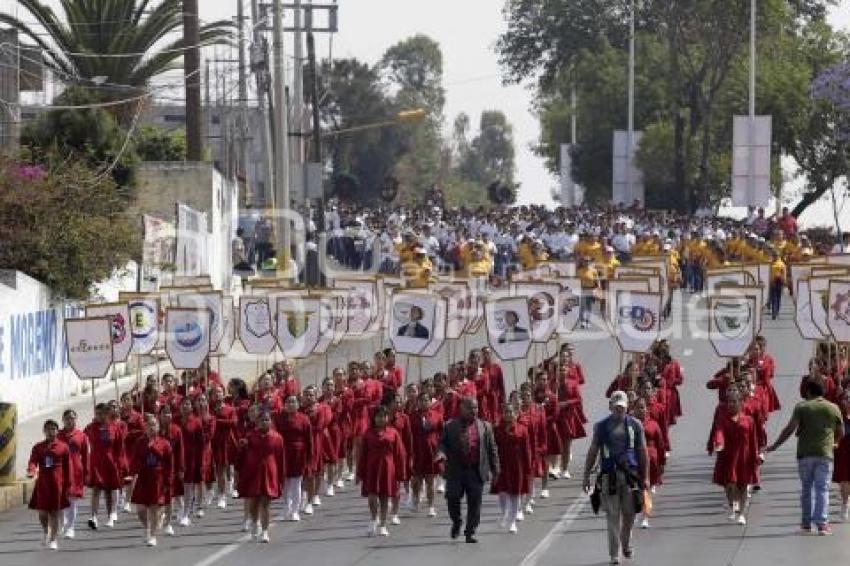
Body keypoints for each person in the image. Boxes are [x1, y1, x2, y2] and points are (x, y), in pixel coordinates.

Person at [766, 379, 844, 535]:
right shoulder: (833, 408)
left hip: (805, 454)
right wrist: (835, 442)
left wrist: (775, 446)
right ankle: (822, 524)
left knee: (806, 489)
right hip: (824, 454)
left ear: (808, 392)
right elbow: (841, 430)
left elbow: (790, 429)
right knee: (822, 489)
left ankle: (806, 524)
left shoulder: (802, 407)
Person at [582, 391, 649, 565]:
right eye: (616, 406)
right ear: (610, 406)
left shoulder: (636, 425)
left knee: (629, 513)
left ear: (627, 407)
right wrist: (586, 475)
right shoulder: (601, 426)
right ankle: (614, 553)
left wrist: (646, 477)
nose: (619, 409)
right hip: (609, 475)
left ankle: (625, 542)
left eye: (622, 406)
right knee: (612, 515)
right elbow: (593, 450)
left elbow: (642, 452)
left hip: (629, 476)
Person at [436, 397, 500, 543]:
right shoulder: (450, 426)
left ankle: (470, 531)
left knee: (475, 502)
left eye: (476, 408)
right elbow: (442, 444)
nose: (474, 411)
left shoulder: (485, 427)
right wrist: (441, 453)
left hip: (475, 470)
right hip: (455, 470)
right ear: (462, 408)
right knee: (452, 498)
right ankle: (457, 522)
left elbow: (492, 449)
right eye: (470, 408)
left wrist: (496, 469)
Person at [357, 406, 406, 537]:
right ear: (374, 418)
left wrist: (401, 472)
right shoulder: (368, 433)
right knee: (372, 497)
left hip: (388, 468)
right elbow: (362, 454)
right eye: (378, 416)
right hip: (372, 468)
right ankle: (373, 519)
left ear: (387, 417)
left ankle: (383, 525)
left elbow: (399, 454)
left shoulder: (393, 432)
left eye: (384, 416)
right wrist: (359, 473)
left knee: (384, 497)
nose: (381, 418)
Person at [237, 410, 286, 543]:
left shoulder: (277, 437)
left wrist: (281, 477)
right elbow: (242, 455)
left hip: (270, 472)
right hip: (253, 472)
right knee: (254, 502)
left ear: (271, 421)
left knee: (265, 503)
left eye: (267, 419)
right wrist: (242, 446)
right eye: (262, 420)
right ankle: (254, 523)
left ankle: (265, 531)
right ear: (257, 422)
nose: (265, 422)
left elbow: (280, 459)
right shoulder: (250, 436)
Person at [129, 414, 173, 547]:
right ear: (145, 427)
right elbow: (135, 459)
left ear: (158, 427)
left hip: (157, 478)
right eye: (148, 425)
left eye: (154, 424)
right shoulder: (139, 442)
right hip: (143, 477)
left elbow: (169, 463)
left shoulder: (164, 443)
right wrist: (132, 472)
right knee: (141, 510)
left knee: (154, 508)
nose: (151, 427)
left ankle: (153, 535)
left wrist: (168, 481)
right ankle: (147, 528)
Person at [27, 419, 70, 550]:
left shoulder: (63, 447)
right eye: (48, 429)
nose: (51, 432)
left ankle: (53, 539)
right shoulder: (38, 447)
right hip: (43, 484)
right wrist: (31, 470)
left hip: (57, 485)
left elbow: (68, 468)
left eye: (53, 429)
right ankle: (46, 531)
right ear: (44, 431)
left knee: (55, 513)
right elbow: (33, 462)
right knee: (42, 514)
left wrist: (69, 484)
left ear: (57, 431)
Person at [491, 403, 533, 534]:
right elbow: (492, 448)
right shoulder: (497, 429)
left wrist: (528, 468)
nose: (508, 414)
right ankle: (505, 513)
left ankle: (513, 522)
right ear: (502, 413)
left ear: (516, 413)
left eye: (511, 412)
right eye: (506, 412)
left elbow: (527, 450)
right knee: (502, 492)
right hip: (502, 465)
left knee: (515, 494)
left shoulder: (522, 429)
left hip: (517, 465)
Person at [84, 403, 124, 530]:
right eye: (98, 414)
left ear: (108, 414)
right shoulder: (90, 428)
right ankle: (94, 517)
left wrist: (121, 464)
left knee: (109, 490)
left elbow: (119, 447)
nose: (100, 416)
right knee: (96, 490)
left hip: (111, 462)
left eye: (102, 414)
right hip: (96, 462)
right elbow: (82, 442)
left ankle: (111, 515)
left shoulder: (115, 428)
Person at [275, 395, 313, 522]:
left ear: (297, 404)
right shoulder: (279, 419)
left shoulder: (304, 419)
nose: (291, 404)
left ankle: (295, 510)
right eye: (288, 402)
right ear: (285, 404)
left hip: (299, 453)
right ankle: (286, 507)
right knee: (284, 483)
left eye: (293, 402)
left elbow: (309, 439)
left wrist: (309, 456)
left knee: (296, 483)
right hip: (284, 453)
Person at [57, 409, 88, 539]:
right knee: (59, 499)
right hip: (59, 471)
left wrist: (87, 473)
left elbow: (86, 456)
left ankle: (71, 527)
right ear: (63, 420)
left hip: (75, 471)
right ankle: (61, 521)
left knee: (72, 500)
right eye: (68, 418)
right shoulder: (57, 435)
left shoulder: (81, 436)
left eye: (73, 418)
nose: (70, 420)